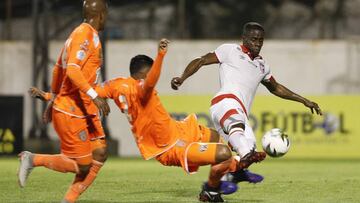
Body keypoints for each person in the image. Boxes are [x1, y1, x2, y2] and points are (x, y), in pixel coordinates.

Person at [171, 22, 322, 177]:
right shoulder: (230, 50)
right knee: (244, 148)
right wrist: (182, 78)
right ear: (244, 38)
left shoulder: (262, 65)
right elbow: (201, 60)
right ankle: (242, 156)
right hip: (225, 102)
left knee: (248, 150)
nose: (257, 43)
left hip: (241, 113)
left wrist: (303, 100)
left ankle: (214, 187)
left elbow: (276, 88)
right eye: (253, 39)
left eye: (261, 40)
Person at [18, 1, 110, 202]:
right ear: (101, 14)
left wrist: (51, 98)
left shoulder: (79, 35)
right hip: (73, 110)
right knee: (84, 165)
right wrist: (95, 96)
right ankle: (33, 159)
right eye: (106, 14)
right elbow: (72, 70)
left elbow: (58, 69)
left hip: (85, 109)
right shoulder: (83, 34)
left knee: (101, 152)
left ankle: (67, 201)